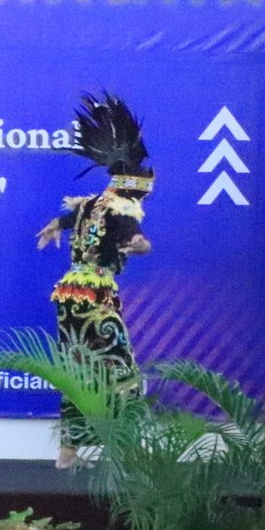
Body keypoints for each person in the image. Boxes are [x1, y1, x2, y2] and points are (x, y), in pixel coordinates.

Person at [36, 92, 153, 468]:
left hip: (69, 295)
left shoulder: (90, 203)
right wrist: (140, 245)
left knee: (77, 367)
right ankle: (124, 446)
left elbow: (65, 219)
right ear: (134, 186)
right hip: (95, 296)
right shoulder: (122, 208)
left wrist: (52, 227)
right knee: (119, 367)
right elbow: (135, 238)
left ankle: (68, 451)